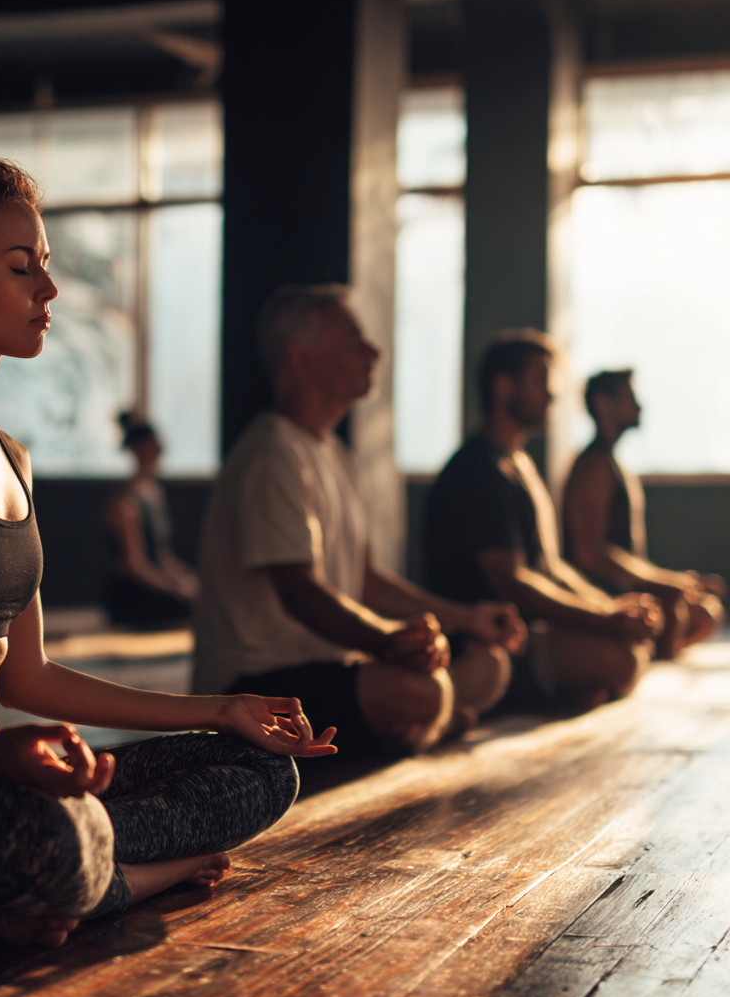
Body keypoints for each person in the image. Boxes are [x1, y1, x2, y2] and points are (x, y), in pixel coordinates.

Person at [0, 107, 335, 948]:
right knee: (50, 828)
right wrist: (7, 763)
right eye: (22, 270)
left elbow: (31, 679)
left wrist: (222, 706)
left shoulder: (11, 458)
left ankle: (71, 883)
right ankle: (122, 875)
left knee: (259, 768)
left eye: (45, 267)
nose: (49, 292)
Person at [192, 284, 524, 762]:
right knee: (420, 693)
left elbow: (368, 582)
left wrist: (465, 619)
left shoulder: (333, 452)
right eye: (355, 341)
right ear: (301, 359)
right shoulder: (273, 453)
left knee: (487, 665)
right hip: (257, 685)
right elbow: (300, 592)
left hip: (329, 666)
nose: (374, 351)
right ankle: (416, 725)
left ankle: (414, 727)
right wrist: (387, 641)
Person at [424, 331, 664, 712]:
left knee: (635, 643)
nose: (554, 393)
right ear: (504, 387)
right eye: (543, 380)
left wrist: (609, 606)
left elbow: (551, 568)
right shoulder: (478, 469)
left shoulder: (520, 463)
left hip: (537, 629)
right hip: (495, 640)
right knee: (621, 660)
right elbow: (512, 582)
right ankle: (529, 694)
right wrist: (602, 618)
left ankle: (562, 690)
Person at [563, 369, 724, 659]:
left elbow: (632, 558)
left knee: (705, 610)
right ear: (603, 403)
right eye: (631, 398)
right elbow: (588, 553)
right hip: (603, 595)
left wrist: (678, 579)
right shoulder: (594, 465)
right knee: (691, 611)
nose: (639, 406)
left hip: (630, 586)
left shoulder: (614, 464)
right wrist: (665, 583)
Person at [103, 412, 197, 628]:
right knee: (189, 606)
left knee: (201, 595)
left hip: (153, 583)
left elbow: (162, 555)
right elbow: (133, 565)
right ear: (139, 448)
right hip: (132, 593)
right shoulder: (124, 499)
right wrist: (174, 588)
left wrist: (188, 578)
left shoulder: (154, 493)